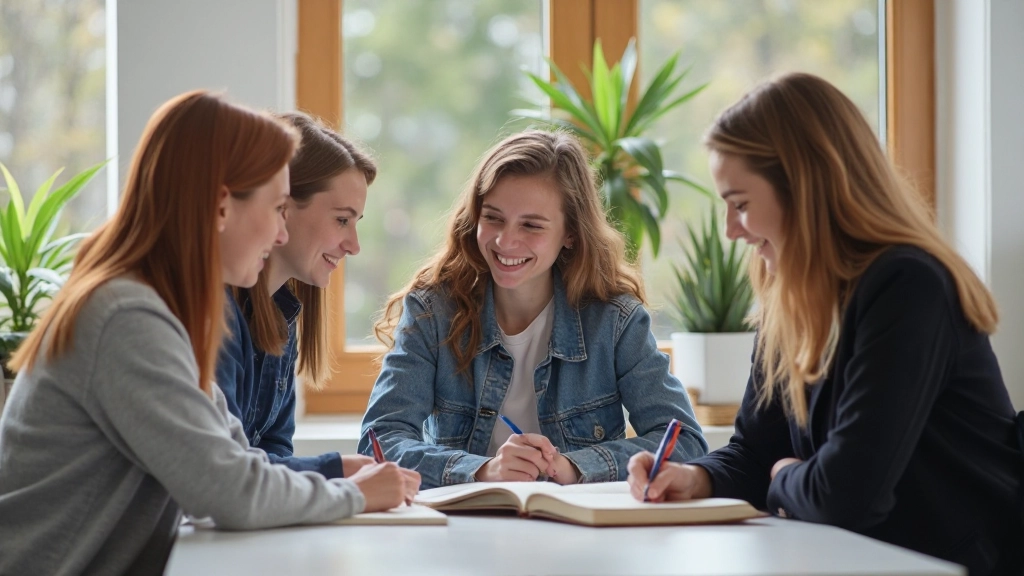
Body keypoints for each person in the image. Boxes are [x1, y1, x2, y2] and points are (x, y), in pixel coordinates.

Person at [0, 91, 418, 576]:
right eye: (276, 207)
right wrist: (353, 494)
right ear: (222, 206)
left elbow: (237, 458)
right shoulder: (126, 318)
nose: (280, 235)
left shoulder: (157, 309)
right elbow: (229, 491)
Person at [626, 73, 1022, 576]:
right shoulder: (788, 292)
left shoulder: (908, 285)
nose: (730, 230)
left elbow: (846, 496)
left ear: (804, 188)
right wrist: (695, 478)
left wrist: (784, 476)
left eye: (741, 204)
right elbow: (756, 448)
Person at [361, 129, 707, 490]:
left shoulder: (615, 321)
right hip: (463, 531)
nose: (505, 241)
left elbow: (684, 443)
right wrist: (482, 471)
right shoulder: (432, 312)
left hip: (580, 532)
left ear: (570, 233)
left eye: (531, 225)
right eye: (493, 218)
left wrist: (573, 467)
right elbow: (379, 442)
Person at [216, 112, 377, 479]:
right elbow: (226, 465)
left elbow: (274, 448)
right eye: (342, 220)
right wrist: (335, 472)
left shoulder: (281, 316)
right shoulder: (218, 312)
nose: (353, 245)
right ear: (283, 208)